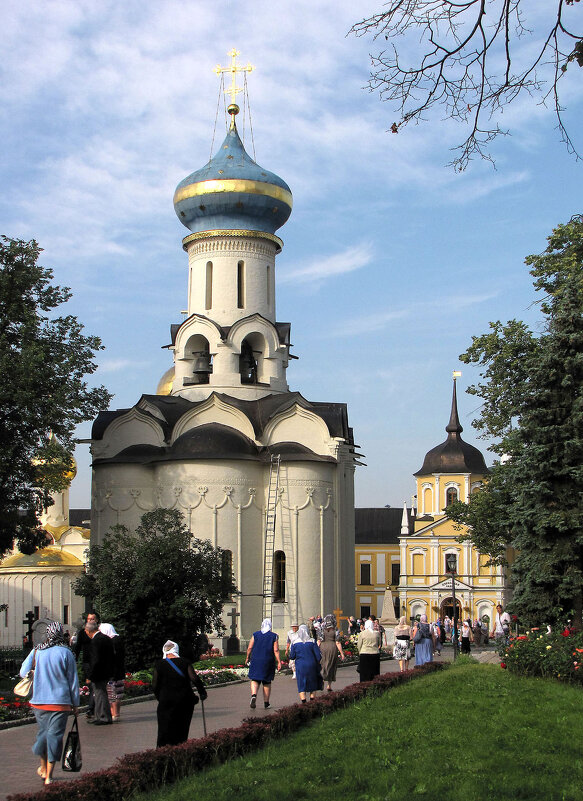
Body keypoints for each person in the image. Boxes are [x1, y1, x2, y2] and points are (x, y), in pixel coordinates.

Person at [19, 621, 80, 786]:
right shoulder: (66, 653)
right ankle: (49, 776)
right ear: (61, 634)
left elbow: (23, 672)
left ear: (47, 634)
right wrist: (76, 704)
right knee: (55, 736)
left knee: (44, 734)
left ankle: (43, 766)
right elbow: (73, 681)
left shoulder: (37, 651)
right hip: (60, 703)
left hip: (39, 702)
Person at [152, 640, 207, 747]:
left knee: (164, 729)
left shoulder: (159, 664)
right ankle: (180, 749)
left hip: (166, 701)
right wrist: (202, 692)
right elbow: (194, 678)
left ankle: (163, 752)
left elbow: (154, 684)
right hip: (184, 700)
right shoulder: (185, 662)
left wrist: (159, 697)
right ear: (176, 649)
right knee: (182, 728)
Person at [246, 619, 281, 709]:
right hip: (267, 660)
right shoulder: (274, 636)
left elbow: (250, 647)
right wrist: (279, 661)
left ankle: (254, 695)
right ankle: (266, 703)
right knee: (266, 682)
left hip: (255, 659)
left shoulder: (255, 634)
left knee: (255, 679)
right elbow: (276, 650)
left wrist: (247, 657)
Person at [73, 611, 99, 720]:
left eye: (92, 619)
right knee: (91, 685)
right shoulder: (82, 633)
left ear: (97, 620)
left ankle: (91, 707)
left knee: (94, 685)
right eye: (89, 619)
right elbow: (78, 646)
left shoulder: (99, 632)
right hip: (87, 662)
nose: (90, 621)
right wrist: (74, 659)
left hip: (97, 662)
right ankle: (93, 706)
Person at [99, 623, 125, 722]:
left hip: (112, 673)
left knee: (112, 693)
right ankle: (116, 713)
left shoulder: (112, 641)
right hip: (119, 671)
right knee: (117, 693)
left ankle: (113, 713)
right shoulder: (118, 640)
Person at [289, 624, 323, 701]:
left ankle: (304, 702)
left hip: (300, 666)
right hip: (312, 665)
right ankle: (312, 700)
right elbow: (318, 656)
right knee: (313, 683)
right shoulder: (312, 641)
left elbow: (292, 656)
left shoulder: (295, 642)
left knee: (301, 684)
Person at [318, 614, 345, 692]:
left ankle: (322, 681)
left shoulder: (321, 629)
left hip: (323, 648)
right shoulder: (336, 629)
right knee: (331, 665)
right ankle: (329, 685)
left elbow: (319, 641)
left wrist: (316, 650)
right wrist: (342, 653)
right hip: (332, 648)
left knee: (322, 664)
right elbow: (338, 642)